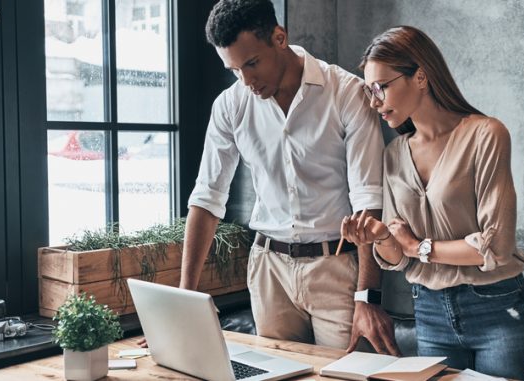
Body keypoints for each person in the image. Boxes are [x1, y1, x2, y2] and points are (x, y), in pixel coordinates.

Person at [136, 0, 400, 354]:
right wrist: (186, 298)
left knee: (344, 376)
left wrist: (368, 296)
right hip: (267, 269)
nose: (246, 81)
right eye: (234, 70)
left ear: (279, 37)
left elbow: (369, 200)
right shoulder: (230, 106)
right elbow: (206, 199)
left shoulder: (346, 92)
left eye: (252, 63)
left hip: (334, 268)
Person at [340, 26, 524, 380]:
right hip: (429, 310)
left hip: (496, 309)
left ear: (420, 76)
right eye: (368, 90)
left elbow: (496, 246)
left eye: (380, 88)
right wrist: (379, 238)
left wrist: (418, 247)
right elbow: (396, 258)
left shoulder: (486, 134)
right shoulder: (393, 154)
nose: (373, 102)